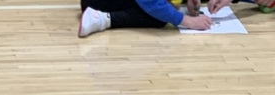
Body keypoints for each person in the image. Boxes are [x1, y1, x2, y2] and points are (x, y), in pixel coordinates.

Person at [78, 0, 213, 36]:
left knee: (163, 9)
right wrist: (187, 21)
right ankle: (102, 19)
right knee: (158, 17)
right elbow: (150, 2)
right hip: (97, 2)